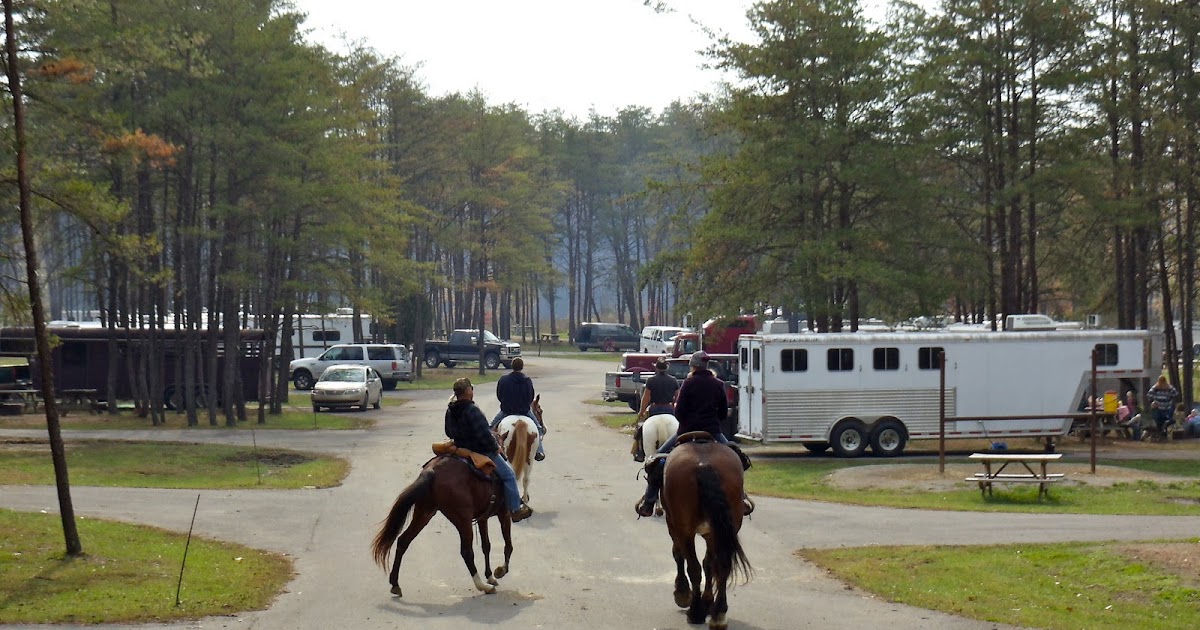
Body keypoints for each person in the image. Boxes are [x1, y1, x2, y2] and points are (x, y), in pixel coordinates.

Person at [635, 351, 751, 518]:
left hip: (687, 431)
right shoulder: (718, 384)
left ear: (693, 365)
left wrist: (686, 423)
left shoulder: (688, 383)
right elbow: (723, 413)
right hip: (713, 431)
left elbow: (679, 411)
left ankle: (649, 501)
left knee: (657, 462)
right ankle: (740, 498)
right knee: (737, 458)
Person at [446, 377, 532, 522]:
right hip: (481, 451)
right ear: (467, 391)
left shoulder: (450, 410)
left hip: (460, 448)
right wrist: (496, 447)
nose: (472, 391)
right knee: (509, 475)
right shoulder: (472, 410)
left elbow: (448, 432)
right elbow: (483, 435)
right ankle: (516, 510)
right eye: (471, 388)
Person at [489, 357, 545, 461]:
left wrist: (506, 403)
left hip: (506, 411)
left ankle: (488, 448)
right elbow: (530, 396)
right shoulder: (527, 381)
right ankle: (539, 451)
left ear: (512, 366)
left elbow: (499, 395)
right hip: (525, 411)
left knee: (490, 427)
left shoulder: (504, 380)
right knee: (538, 428)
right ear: (522, 367)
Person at [631, 358, 680, 462]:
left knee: (641, 428)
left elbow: (646, 398)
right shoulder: (673, 380)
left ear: (656, 368)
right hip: (669, 408)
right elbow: (678, 397)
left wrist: (641, 412)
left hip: (655, 408)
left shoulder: (651, 380)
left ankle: (639, 452)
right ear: (666, 368)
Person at [1147, 376, 1180, 440]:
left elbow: (1175, 394)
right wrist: (1152, 402)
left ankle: (1162, 434)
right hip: (1157, 408)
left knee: (1164, 420)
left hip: (1167, 408)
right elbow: (1149, 395)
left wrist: (1172, 402)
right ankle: (1160, 433)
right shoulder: (1155, 388)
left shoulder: (1169, 388)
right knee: (1158, 419)